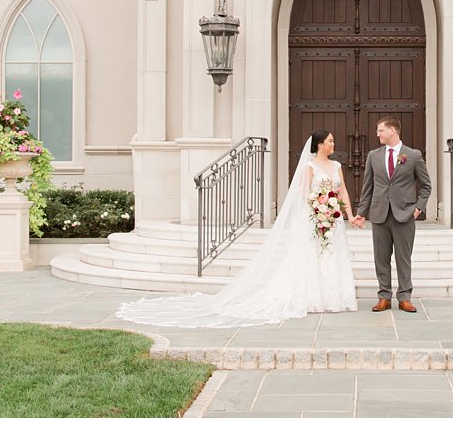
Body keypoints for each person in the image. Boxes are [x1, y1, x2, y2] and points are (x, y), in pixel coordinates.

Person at [114, 130, 362, 328]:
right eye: (330, 141)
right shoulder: (309, 167)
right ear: (319, 144)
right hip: (315, 217)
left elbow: (343, 192)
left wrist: (348, 215)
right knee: (311, 256)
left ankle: (333, 297)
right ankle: (312, 297)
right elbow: (303, 194)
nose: (333, 143)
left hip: (334, 219)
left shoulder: (337, 166)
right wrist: (320, 207)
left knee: (331, 255)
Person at [357, 117, 431, 313]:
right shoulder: (373, 155)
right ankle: (384, 296)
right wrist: (361, 213)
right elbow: (368, 187)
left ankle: (405, 296)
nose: (377, 134)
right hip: (379, 213)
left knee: (403, 258)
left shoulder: (413, 155)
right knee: (381, 258)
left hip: (404, 214)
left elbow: (426, 186)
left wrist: (418, 208)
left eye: (380, 130)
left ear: (392, 131)